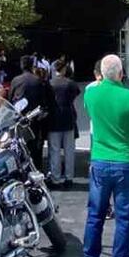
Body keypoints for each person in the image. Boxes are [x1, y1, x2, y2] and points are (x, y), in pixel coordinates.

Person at [81, 54, 129, 257]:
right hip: (125, 162)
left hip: (99, 160)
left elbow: (93, 103)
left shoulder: (91, 94)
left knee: (95, 216)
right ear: (121, 73)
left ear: (100, 73)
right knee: (124, 218)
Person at [9, 55, 50, 170]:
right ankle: (36, 169)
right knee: (35, 146)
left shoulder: (15, 80)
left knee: (20, 145)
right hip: (34, 117)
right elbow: (43, 100)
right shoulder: (37, 80)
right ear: (32, 65)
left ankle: (21, 169)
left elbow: (10, 98)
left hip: (19, 118)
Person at [49, 60, 80, 188]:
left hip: (53, 119)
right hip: (68, 117)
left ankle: (55, 178)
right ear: (64, 69)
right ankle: (69, 178)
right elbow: (76, 94)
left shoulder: (50, 83)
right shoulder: (70, 83)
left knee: (54, 150)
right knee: (69, 150)